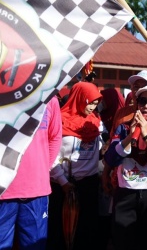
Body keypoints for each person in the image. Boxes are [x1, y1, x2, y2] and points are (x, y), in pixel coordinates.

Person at [0, 96, 62, 250]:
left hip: (36, 193)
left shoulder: (50, 96)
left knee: (35, 246)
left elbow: (55, 137)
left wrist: (40, 170)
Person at [104, 85, 147, 249]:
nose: (146, 106)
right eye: (142, 101)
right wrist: (130, 137)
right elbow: (111, 158)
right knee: (124, 241)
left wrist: (146, 134)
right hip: (126, 193)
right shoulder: (124, 128)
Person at [48, 81, 103, 250]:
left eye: (96, 102)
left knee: (86, 232)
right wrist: (63, 181)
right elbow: (50, 154)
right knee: (59, 231)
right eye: (90, 101)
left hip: (88, 185)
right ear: (79, 98)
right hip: (63, 186)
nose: (93, 106)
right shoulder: (59, 121)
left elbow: (99, 151)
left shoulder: (96, 123)